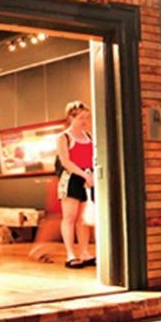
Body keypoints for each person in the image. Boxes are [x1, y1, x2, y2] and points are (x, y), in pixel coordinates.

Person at [55, 99, 98, 269]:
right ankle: (70, 254)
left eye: (86, 118)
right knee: (70, 217)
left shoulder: (89, 136)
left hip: (88, 177)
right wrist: (83, 175)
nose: (84, 122)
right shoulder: (63, 137)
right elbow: (65, 161)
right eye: (81, 118)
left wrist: (92, 175)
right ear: (71, 118)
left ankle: (85, 252)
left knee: (83, 218)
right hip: (72, 178)